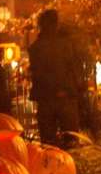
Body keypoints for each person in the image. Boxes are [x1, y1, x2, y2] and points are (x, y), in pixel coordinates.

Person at [27, 8, 85, 146]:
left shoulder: (36, 48)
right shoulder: (66, 45)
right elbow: (73, 68)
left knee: (48, 143)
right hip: (65, 97)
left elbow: (38, 73)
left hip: (46, 98)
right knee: (71, 139)